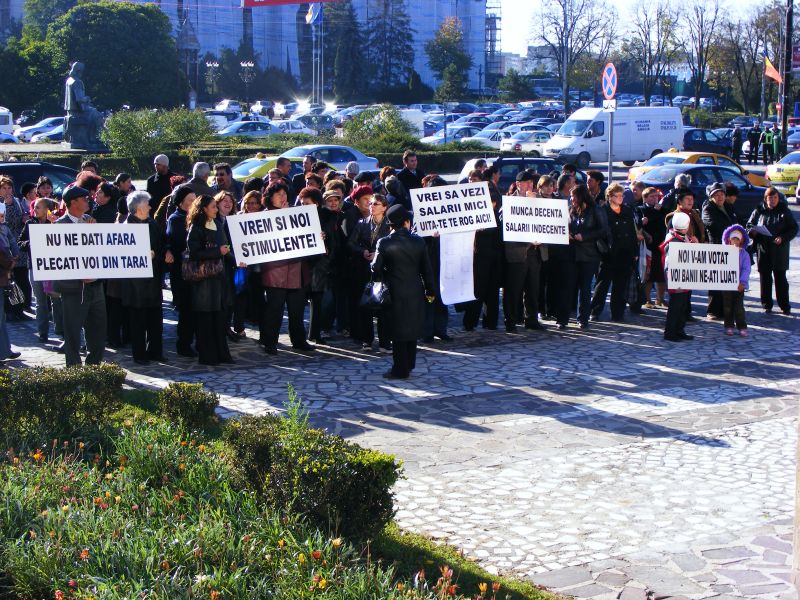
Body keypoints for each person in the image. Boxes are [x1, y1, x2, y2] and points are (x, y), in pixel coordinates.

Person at [371, 205, 434, 380]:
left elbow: (375, 268)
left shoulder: (384, 242)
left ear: (391, 224)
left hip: (394, 290)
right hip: (415, 289)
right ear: (406, 222)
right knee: (411, 327)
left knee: (397, 330)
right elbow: (427, 270)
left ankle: (400, 368)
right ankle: (410, 364)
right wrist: (431, 291)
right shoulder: (419, 241)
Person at [260, 182, 315, 355]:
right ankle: (270, 342)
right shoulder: (263, 217)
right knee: (274, 309)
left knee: (297, 309)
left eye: (284, 194)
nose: (282, 197)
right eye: (278, 194)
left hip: (297, 269)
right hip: (275, 271)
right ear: (270, 198)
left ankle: (298, 340)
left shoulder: (297, 214)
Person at [54, 186, 106, 366]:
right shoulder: (60, 225)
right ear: (73, 202)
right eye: (84, 198)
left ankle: (94, 368)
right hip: (74, 288)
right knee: (73, 332)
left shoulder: (91, 221)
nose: (88, 201)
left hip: (95, 286)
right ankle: (74, 373)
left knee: (98, 331)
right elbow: (60, 257)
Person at [185, 195, 233, 365]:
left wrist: (235, 260)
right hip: (203, 280)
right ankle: (208, 355)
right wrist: (217, 252)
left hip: (219, 279)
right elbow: (194, 253)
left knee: (219, 318)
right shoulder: (196, 228)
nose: (216, 209)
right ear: (204, 209)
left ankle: (222, 354)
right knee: (205, 319)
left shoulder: (218, 225)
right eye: (213, 206)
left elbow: (225, 249)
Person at [122, 191, 168, 365]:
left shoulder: (151, 223)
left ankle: (156, 351)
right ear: (139, 208)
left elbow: (163, 242)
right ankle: (140, 354)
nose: (150, 207)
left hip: (154, 279)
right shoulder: (126, 227)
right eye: (147, 204)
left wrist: (166, 252)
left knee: (156, 319)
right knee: (138, 320)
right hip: (136, 284)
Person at [503, 170, 547, 333]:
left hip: (535, 252)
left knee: (533, 288)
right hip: (518, 251)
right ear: (518, 184)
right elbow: (508, 226)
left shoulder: (538, 200)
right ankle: (511, 320)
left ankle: (531, 319)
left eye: (532, 183)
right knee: (514, 289)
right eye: (527, 183)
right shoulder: (510, 202)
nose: (530, 186)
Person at [348, 192, 391, 349]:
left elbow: (392, 245)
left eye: (376, 204)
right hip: (364, 270)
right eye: (371, 203)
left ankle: (385, 342)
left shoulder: (389, 225)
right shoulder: (362, 223)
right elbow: (351, 243)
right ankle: (367, 339)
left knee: (383, 306)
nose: (371, 206)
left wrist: (378, 255)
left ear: (384, 208)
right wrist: (362, 252)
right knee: (365, 305)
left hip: (382, 270)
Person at [590, 183, 638, 322]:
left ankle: (618, 313)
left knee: (620, 285)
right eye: (617, 195)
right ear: (609, 196)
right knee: (602, 284)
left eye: (622, 195)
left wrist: (634, 251)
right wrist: (603, 249)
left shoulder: (627, 210)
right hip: (608, 253)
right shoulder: (602, 210)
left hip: (625, 252)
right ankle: (595, 311)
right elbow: (599, 232)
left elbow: (631, 231)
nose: (620, 198)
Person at [746, 187, 798, 314]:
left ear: (778, 199)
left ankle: (784, 305)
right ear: (765, 199)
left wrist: (783, 238)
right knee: (765, 278)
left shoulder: (784, 211)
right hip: (763, 248)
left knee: (780, 278)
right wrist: (753, 232)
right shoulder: (759, 210)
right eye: (770, 198)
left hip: (779, 249)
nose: (773, 200)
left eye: (775, 198)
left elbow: (793, 228)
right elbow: (749, 225)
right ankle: (766, 304)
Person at [560, 184, 605, 329]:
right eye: (571, 197)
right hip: (571, 253)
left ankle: (583, 319)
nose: (571, 199)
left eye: (574, 196)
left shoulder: (596, 210)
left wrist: (584, 236)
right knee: (567, 286)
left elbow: (603, 230)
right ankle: (563, 319)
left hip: (589, 254)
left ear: (581, 196)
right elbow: (563, 225)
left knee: (585, 288)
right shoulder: (570, 210)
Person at [463, 184, 502, 331]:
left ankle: (490, 322)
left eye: (493, 202)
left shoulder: (497, 215)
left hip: (494, 258)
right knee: (478, 292)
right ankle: (470, 322)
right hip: (480, 258)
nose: (492, 204)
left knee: (492, 293)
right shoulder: (476, 217)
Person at [18, 197, 56, 343]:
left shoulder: (54, 223)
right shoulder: (30, 223)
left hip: (52, 266)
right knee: (40, 301)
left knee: (55, 300)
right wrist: (31, 242)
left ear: (47, 209)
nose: (35, 210)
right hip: (34, 266)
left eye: (39, 207)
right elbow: (20, 243)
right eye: (35, 207)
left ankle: (61, 331)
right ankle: (43, 332)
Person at [166, 185, 197, 357]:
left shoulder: (196, 217)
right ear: (181, 202)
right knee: (186, 309)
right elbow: (179, 243)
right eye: (190, 200)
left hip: (196, 271)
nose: (193, 203)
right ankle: (183, 343)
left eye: (195, 199)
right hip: (182, 272)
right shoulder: (176, 219)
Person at [702, 182, 738, 319]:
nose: (720, 197)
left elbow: (736, 222)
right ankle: (713, 310)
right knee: (715, 280)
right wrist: (730, 232)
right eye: (716, 195)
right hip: (716, 246)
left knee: (727, 280)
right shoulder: (708, 208)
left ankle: (726, 310)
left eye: (722, 194)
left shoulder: (728, 206)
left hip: (731, 247)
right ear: (711, 197)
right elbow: (712, 224)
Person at [661, 211, 695, 342]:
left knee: (682, 305)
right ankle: (670, 332)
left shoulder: (681, 237)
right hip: (676, 277)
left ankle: (679, 330)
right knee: (676, 305)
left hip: (684, 276)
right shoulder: (673, 239)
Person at [0, 175, 30, 318]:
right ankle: (9, 310)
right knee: (7, 280)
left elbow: (25, 215)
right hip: (4, 245)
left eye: (9, 187)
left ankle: (20, 308)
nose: (7, 191)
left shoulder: (17, 201)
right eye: (3, 188)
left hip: (17, 243)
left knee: (20, 280)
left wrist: (25, 219)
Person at [721, 224, 751, 337]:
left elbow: (746, 269)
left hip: (739, 286)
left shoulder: (744, 254)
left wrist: (742, 282)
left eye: (737, 239)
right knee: (727, 307)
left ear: (741, 240)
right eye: (733, 238)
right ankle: (728, 326)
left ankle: (742, 326)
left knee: (739, 308)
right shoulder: (723, 252)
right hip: (726, 285)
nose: (735, 241)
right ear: (729, 239)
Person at [640, 187, 667, 308]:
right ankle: (647, 299)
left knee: (661, 274)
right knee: (649, 274)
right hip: (648, 246)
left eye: (656, 196)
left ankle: (660, 299)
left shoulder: (662, 210)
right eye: (652, 196)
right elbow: (637, 224)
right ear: (645, 198)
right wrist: (642, 223)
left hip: (661, 245)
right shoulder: (641, 209)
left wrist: (662, 210)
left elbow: (668, 220)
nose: (655, 199)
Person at [0, 204, 20, 362]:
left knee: (2, 317)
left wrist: (14, 258)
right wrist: (10, 262)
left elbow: (13, 244)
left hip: (3, 275)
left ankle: (4, 350)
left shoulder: (4, 228)